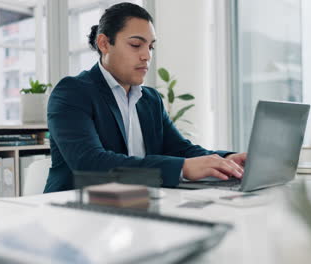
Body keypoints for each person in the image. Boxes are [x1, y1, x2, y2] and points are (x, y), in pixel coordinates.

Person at [43, 2, 246, 193]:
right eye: (135, 45)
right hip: (74, 211)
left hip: (135, 205)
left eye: (150, 47)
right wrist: (183, 168)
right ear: (104, 43)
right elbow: (90, 163)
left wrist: (227, 159)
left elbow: (179, 149)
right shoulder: (72, 92)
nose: (147, 56)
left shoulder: (150, 99)